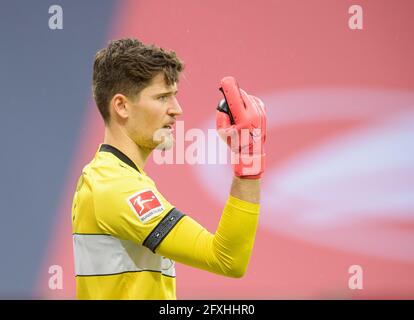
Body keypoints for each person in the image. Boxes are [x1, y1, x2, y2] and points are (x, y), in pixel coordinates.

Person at [71, 38, 267, 299]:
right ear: (121, 106)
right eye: (162, 97)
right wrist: (248, 159)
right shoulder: (115, 185)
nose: (177, 110)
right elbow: (227, 259)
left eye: (174, 96)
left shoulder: (116, 177)